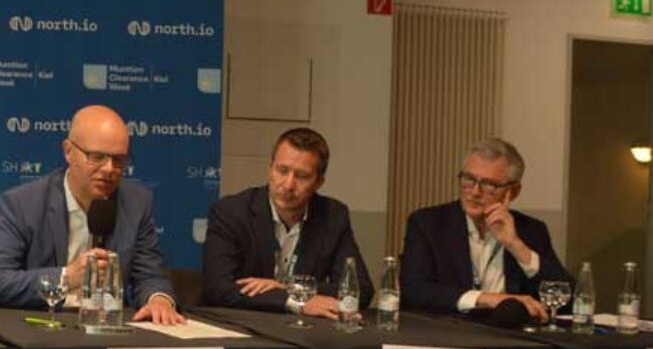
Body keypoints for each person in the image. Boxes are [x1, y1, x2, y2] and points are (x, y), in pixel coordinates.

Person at [0, 104, 182, 324]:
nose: (109, 169)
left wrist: (158, 299)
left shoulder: (137, 202)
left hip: (108, 329)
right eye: (97, 157)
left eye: (119, 160)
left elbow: (149, 274)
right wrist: (67, 277)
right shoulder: (22, 204)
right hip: (44, 328)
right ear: (68, 152)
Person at [201, 127, 372, 316]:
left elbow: (360, 289)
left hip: (306, 330)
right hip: (242, 325)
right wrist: (296, 301)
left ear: (319, 182)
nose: (289, 185)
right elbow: (217, 288)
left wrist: (286, 286)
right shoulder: (231, 212)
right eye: (282, 171)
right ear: (270, 168)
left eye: (302, 176)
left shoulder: (333, 216)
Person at [401, 137, 568, 325]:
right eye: (469, 179)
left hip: (512, 337)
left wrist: (516, 246)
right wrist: (487, 298)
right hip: (448, 333)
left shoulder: (531, 230)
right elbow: (413, 291)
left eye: (489, 184)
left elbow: (565, 298)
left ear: (513, 191)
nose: (475, 192)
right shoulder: (428, 224)